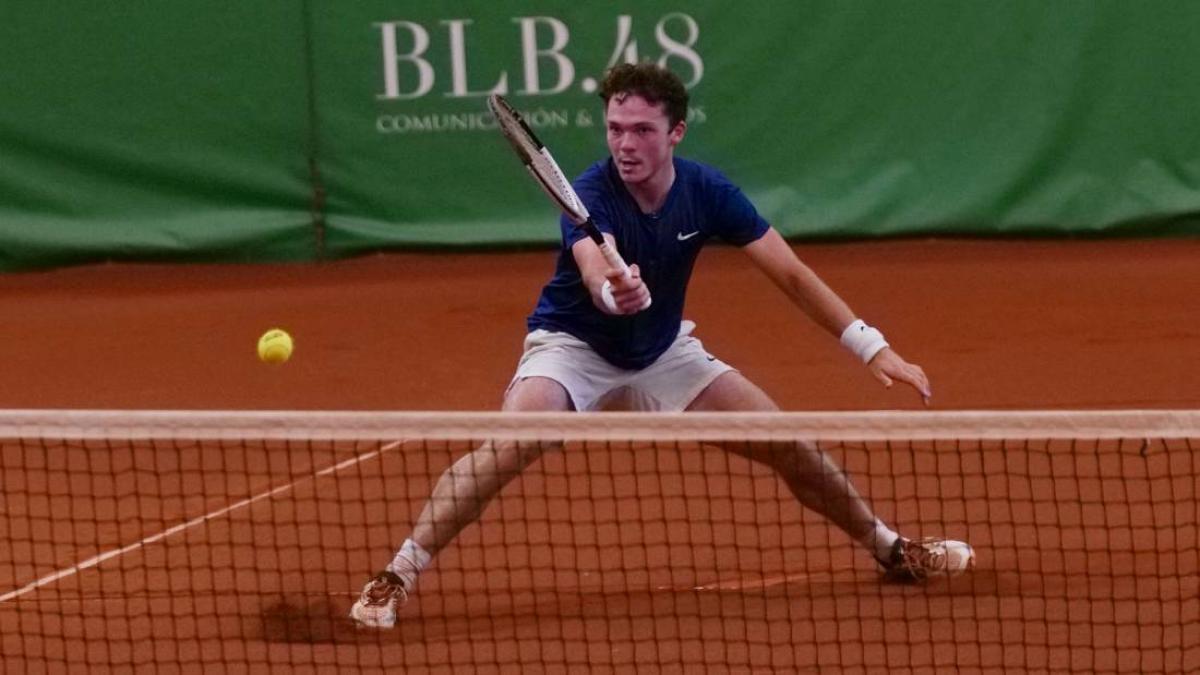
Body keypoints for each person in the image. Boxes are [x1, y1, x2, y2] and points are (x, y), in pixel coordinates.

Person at [350, 63, 973, 629]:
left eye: (642, 130)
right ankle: (395, 576)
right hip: (573, 347)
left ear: (675, 132)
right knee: (507, 444)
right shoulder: (590, 194)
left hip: (665, 352)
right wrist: (611, 292)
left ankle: (892, 550)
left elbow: (790, 274)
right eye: (615, 128)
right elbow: (593, 267)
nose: (625, 144)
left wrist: (871, 347)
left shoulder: (707, 192)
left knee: (791, 444)